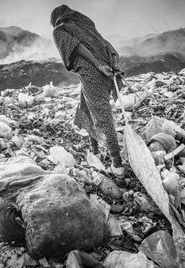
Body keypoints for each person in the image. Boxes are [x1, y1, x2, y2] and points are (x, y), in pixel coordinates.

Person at [51, 5, 125, 176]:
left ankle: (117, 164)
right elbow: (109, 47)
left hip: (94, 74)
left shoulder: (59, 30)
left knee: (103, 117)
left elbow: (75, 47)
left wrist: (99, 65)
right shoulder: (86, 26)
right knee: (85, 106)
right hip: (107, 71)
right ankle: (94, 150)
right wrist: (114, 65)